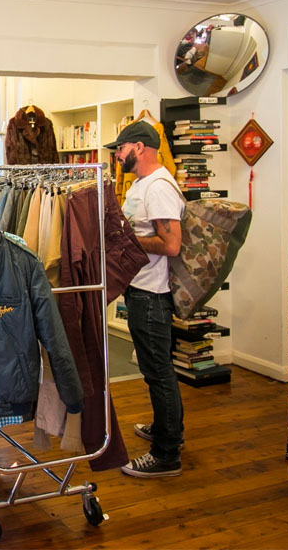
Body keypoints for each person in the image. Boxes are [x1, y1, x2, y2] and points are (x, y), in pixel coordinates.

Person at [104, 120, 186, 478]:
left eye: (119, 149)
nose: (117, 156)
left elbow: (170, 244)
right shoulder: (141, 184)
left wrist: (126, 242)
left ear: (138, 147)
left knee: (159, 372)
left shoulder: (160, 187)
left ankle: (166, 454)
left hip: (153, 294)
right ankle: (165, 428)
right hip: (140, 290)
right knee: (154, 372)